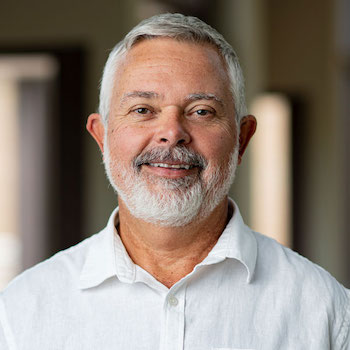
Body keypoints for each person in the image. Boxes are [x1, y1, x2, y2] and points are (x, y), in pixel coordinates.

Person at [0, 13, 349, 350]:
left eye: (201, 111)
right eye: (142, 110)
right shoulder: (21, 312)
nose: (171, 133)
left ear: (242, 139)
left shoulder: (327, 311)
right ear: (102, 137)